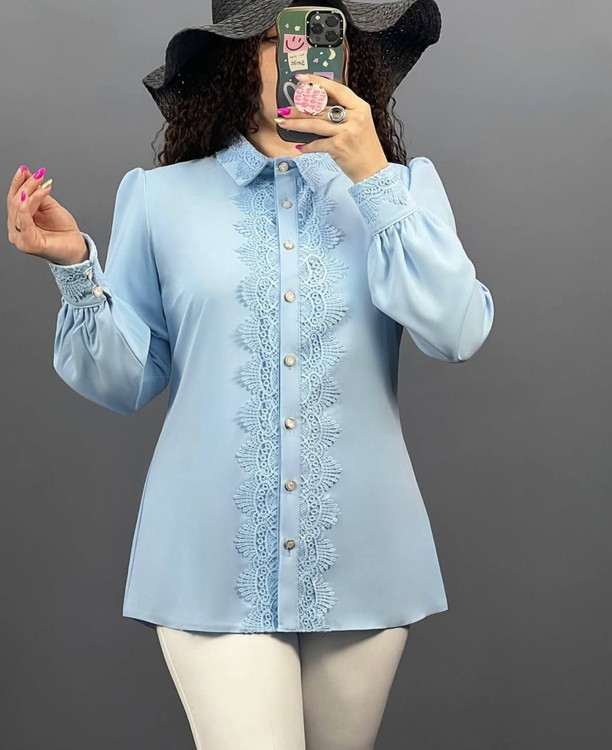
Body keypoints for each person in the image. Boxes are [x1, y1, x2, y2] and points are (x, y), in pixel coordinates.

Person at [5, 1, 495, 747]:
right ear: (236, 61)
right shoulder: (161, 198)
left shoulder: (405, 190)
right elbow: (124, 379)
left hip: (365, 556)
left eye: (319, 37)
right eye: (274, 40)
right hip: (207, 557)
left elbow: (457, 332)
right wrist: (76, 270)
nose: (300, 59)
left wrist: (373, 180)